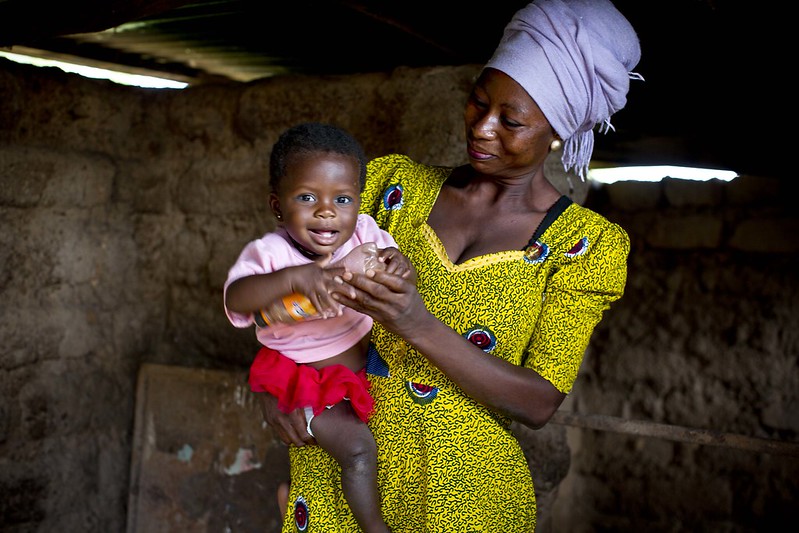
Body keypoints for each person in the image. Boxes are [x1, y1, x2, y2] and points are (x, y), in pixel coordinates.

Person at [258, 0, 643, 530]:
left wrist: (414, 322)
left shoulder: (586, 246)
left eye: (510, 120)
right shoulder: (392, 189)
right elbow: (282, 290)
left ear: (557, 131)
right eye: (478, 102)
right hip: (339, 472)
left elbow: (538, 402)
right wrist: (277, 388)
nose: (482, 128)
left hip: (462, 498)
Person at [224, 122, 414, 533]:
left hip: (362, 370)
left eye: (342, 198)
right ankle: (375, 529)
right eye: (307, 197)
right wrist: (293, 279)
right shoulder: (272, 253)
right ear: (278, 207)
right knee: (358, 452)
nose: (326, 210)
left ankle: (287, 495)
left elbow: (399, 273)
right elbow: (236, 298)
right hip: (307, 378)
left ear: (358, 203)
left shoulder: (363, 233)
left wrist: (400, 266)